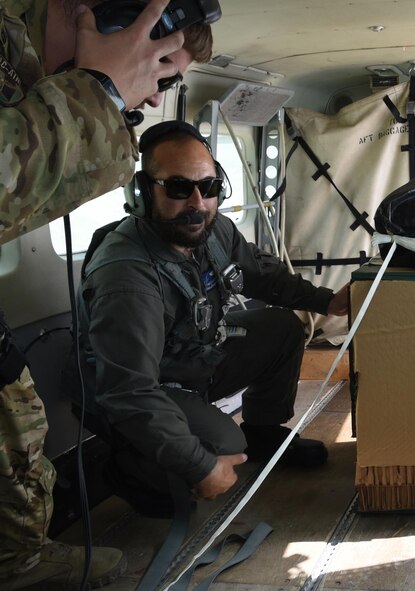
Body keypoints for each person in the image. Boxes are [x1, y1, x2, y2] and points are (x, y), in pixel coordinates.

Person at [0, 0, 213, 588]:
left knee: (19, 432)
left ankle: (20, 559)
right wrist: (98, 90)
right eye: (153, 69)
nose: (147, 97)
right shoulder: (127, 263)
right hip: (141, 388)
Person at [75, 120, 349, 518]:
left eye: (210, 187)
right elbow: (128, 390)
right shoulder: (127, 275)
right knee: (221, 448)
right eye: (179, 188)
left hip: (193, 359)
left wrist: (328, 302)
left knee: (281, 326)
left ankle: (263, 432)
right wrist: (199, 466)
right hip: (133, 390)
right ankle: (130, 468)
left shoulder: (213, 229)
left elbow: (261, 275)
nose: (198, 203)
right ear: (142, 193)